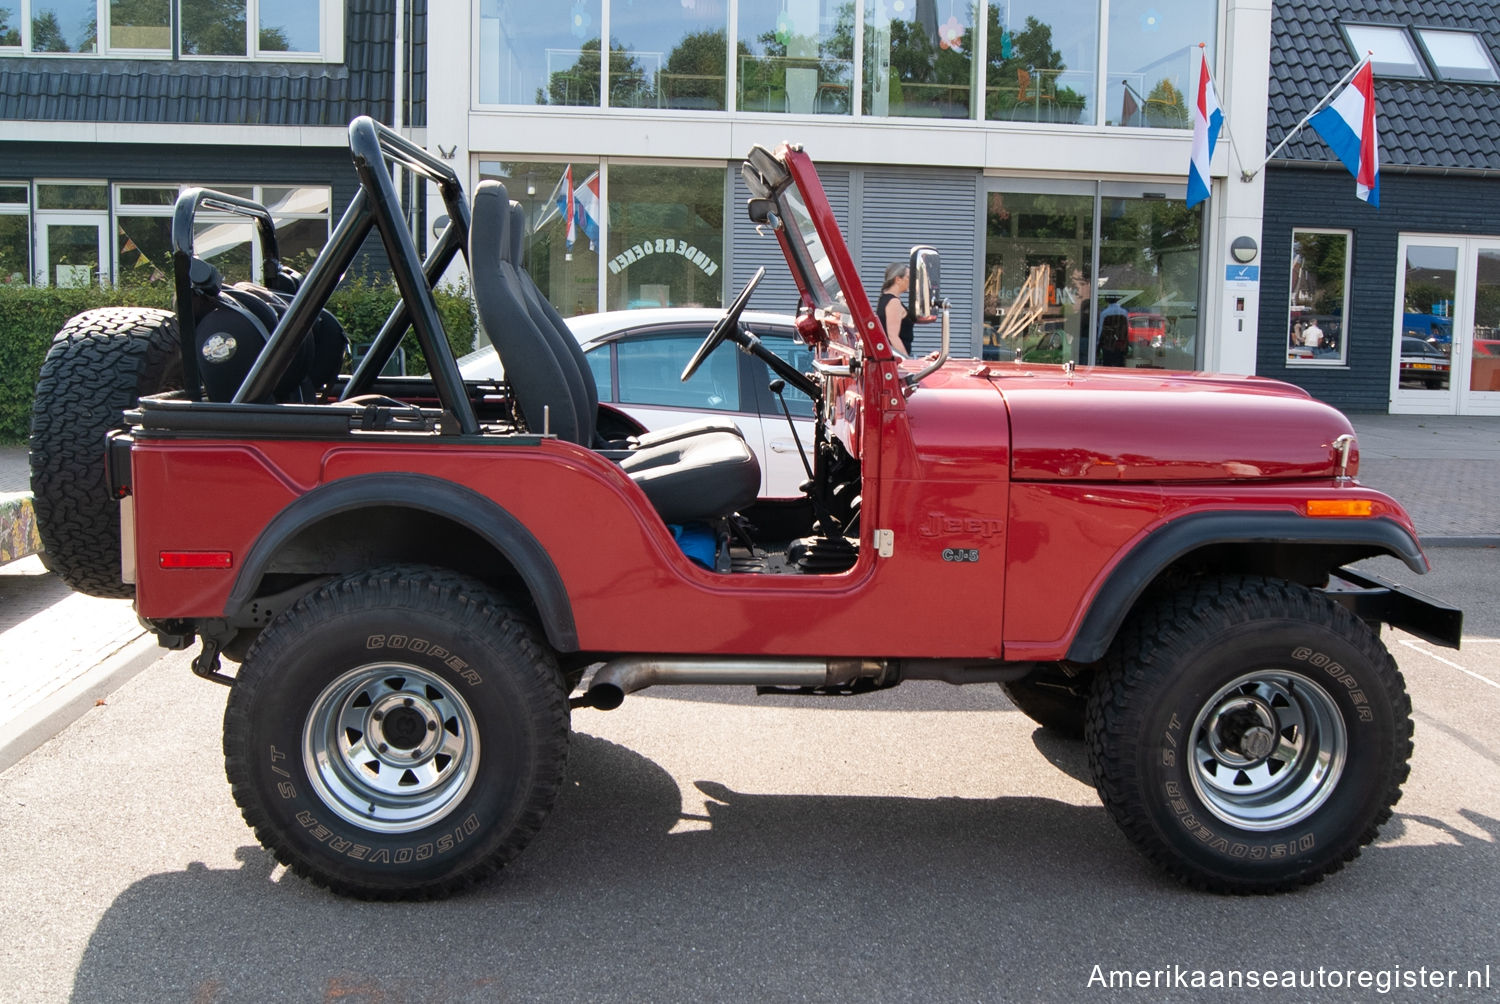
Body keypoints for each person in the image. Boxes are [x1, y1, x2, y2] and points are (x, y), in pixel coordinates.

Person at [876, 262, 915, 356]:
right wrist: (907, 361)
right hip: (897, 359)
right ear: (898, 279)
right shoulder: (894, 302)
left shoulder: (885, 298)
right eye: (908, 277)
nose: (911, 281)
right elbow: (893, 336)